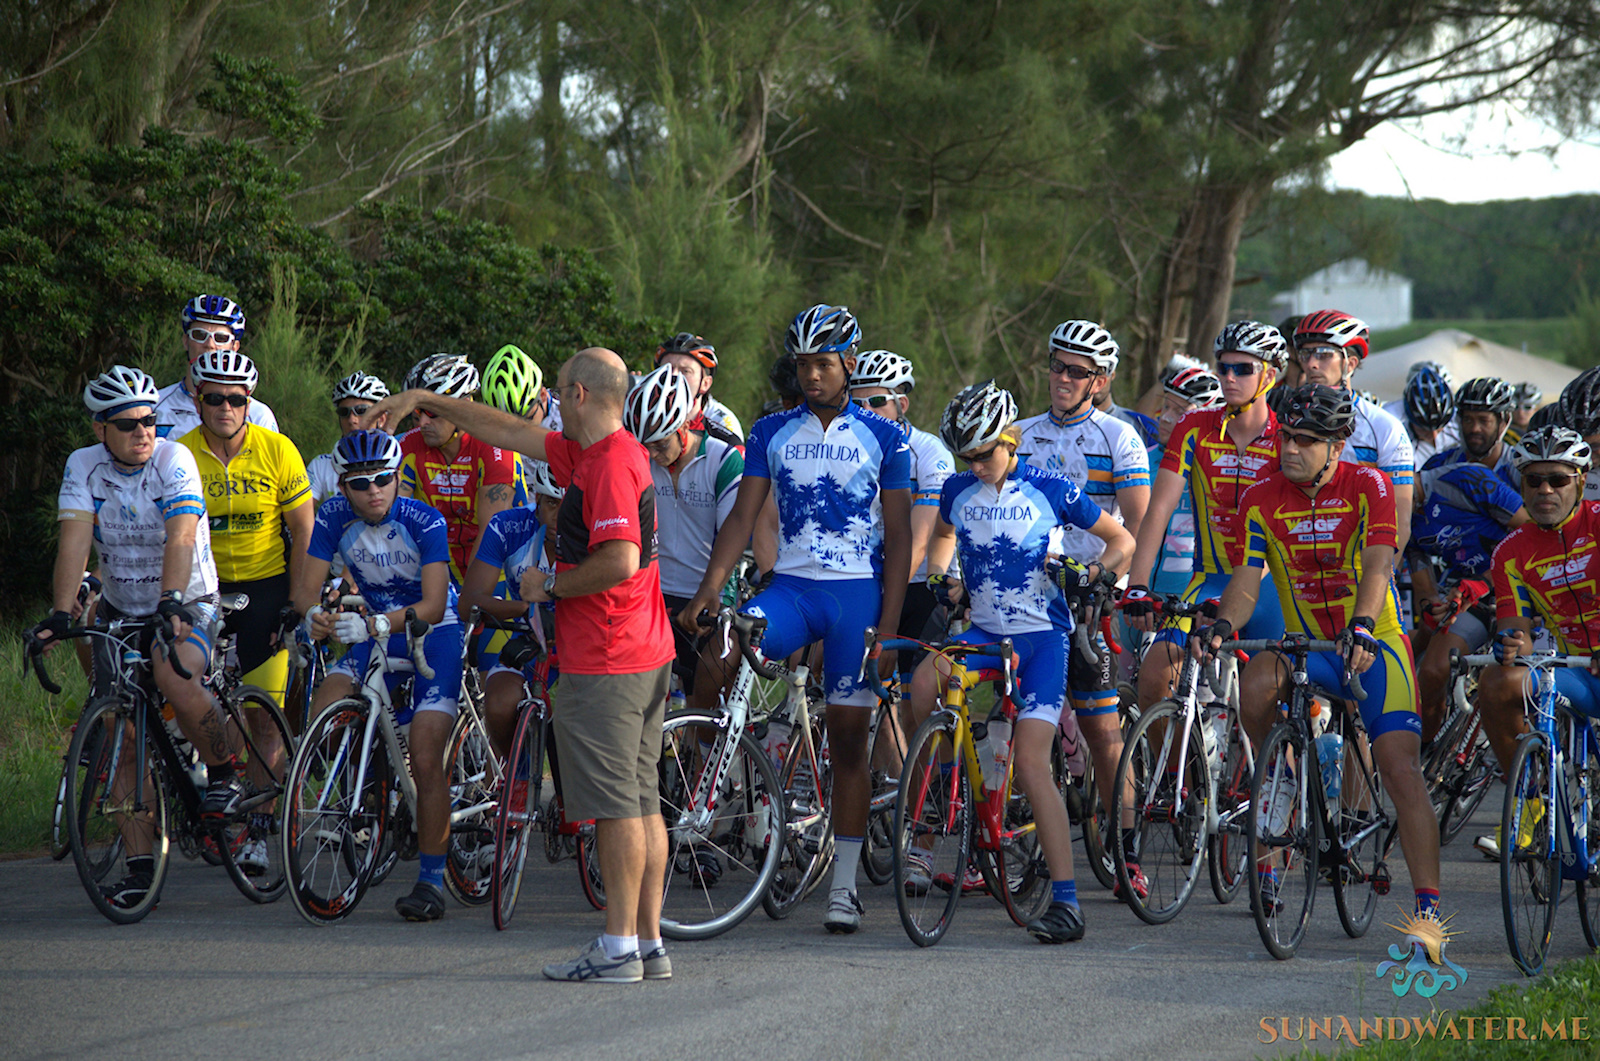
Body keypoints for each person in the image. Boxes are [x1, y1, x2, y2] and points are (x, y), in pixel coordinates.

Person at [362, 347, 678, 983]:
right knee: (642, 804)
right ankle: (647, 944)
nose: (552, 400)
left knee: (618, 807)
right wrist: (422, 401)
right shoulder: (590, 451)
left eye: (559, 389)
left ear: (580, 394)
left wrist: (548, 586)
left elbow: (620, 559)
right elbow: (505, 429)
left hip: (610, 657)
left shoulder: (609, 464)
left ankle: (618, 948)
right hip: (642, 651)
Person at [677, 303, 913, 934]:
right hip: (791, 590)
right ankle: (722, 780)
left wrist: (890, 629)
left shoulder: (886, 437)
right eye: (803, 364)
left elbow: (900, 540)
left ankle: (845, 887)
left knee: (848, 741)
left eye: (824, 364)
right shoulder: (769, 431)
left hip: (855, 597)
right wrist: (709, 592)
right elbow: (741, 518)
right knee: (723, 647)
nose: (812, 375)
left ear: (850, 364)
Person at [1194, 383, 1441, 920]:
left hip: (1372, 642)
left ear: (1337, 445)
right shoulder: (1261, 497)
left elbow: (1379, 564)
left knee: (1400, 769)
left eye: (1305, 440)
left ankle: (1428, 915)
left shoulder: (1368, 485)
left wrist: (1363, 625)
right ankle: (1281, 775)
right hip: (1309, 646)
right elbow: (1247, 579)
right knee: (1257, 681)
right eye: (1286, 436)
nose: (1289, 448)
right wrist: (1223, 623)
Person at [905, 380, 1134, 943]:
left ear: (1010, 440)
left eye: (984, 454)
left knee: (1032, 764)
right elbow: (942, 535)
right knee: (922, 685)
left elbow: (1122, 541)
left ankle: (1067, 902)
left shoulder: (1050, 488)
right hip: (984, 631)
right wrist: (942, 575)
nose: (976, 465)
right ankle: (957, 787)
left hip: (1040, 640)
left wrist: (1094, 575)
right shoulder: (958, 489)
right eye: (967, 456)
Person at [35, 366, 238, 909]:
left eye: (149, 420)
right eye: (128, 424)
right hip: (122, 606)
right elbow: (74, 541)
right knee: (122, 736)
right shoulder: (84, 466)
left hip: (187, 598)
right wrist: (61, 613)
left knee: (174, 674)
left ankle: (224, 772)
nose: (143, 432)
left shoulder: (175, 459)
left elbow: (182, 536)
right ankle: (140, 866)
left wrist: (171, 599)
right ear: (100, 429)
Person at [1125, 322, 1290, 897]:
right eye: (1224, 366)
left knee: (1265, 708)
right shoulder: (1196, 428)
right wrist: (1138, 586)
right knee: (1154, 674)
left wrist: (1240, 599)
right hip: (1209, 579)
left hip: (1270, 586)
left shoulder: (1287, 436)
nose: (1230, 377)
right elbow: (1158, 510)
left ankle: (1268, 856)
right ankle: (1187, 778)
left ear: (1271, 375)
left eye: (1244, 368)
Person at [291, 430, 465, 922]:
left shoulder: (423, 519)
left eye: (383, 479)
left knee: (427, 753)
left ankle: (431, 881)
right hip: (377, 629)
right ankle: (374, 783)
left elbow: (434, 605)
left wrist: (374, 624)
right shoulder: (332, 516)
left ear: (396, 477)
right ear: (342, 485)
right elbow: (305, 592)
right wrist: (315, 616)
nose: (374, 491)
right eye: (360, 483)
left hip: (433, 631)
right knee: (326, 707)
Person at [1013, 319, 1149, 893]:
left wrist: (1114, 586)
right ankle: (1021, 843)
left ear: (1100, 380)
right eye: (1057, 366)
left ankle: (1127, 850)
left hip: (1092, 598)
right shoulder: (1018, 433)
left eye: (1078, 371)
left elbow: (1138, 524)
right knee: (1015, 725)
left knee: (1101, 731)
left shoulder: (1119, 437)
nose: (1063, 378)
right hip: (1027, 599)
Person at [175, 350, 310, 874]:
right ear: (197, 401)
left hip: (265, 587)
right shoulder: (179, 453)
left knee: (263, 715)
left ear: (249, 402)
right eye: (215, 398)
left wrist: (298, 602)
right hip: (206, 588)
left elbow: (303, 529)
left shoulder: (277, 450)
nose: (226, 407)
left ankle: (257, 829)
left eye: (236, 398)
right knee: (192, 697)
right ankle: (216, 790)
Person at [1475, 427, 1600, 860]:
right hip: (1572, 670)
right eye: (1534, 480)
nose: (1545, 490)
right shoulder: (1510, 552)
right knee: (1497, 682)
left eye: (1558, 479)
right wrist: (1512, 646)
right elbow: (1518, 631)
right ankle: (1528, 804)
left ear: (1581, 481)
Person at [1410, 377, 1527, 747]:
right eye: (1467, 419)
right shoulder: (1439, 467)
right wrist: (1430, 601)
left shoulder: (1521, 469)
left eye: (1484, 420)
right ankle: (1422, 752)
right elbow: (1415, 551)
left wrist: (1487, 582)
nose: (1474, 428)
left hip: (1515, 586)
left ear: (1504, 421)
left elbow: (1533, 539)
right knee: (1431, 669)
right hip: (1461, 587)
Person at [623, 363, 743, 717]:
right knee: (643, 703)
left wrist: (714, 592)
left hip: (707, 591)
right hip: (654, 591)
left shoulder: (723, 460)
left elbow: (731, 537)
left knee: (705, 698)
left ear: (683, 427)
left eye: (660, 445)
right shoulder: (642, 460)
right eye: (646, 446)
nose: (653, 456)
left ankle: (703, 748)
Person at [848, 349, 955, 673]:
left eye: (877, 401)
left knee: (914, 689)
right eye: (857, 403)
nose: (867, 411)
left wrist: (885, 600)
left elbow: (919, 542)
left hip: (919, 580)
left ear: (902, 405)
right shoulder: (844, 452)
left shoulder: (929, 453)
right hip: (866, 576)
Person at [460, 460, 563, 759]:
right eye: (551, 503)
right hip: (530, 637)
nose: (559, 516)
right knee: (499, 705)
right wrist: (526, 609)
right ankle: (515, 773)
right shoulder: (508, 526)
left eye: (569, 506)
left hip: (583, 643)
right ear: (537, 498)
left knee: (573, 729)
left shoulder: (592, 533)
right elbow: (469, 602)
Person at [1290, 310, 1414, 557]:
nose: (1311, 364)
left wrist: (1381, 577)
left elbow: (1400, 522)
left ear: (1350, 364)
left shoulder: (1383, 427)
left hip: (1362, 565)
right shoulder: (1287, 421)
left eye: (1323, 354)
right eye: (1305, 354)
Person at [397, 353, 518, 584]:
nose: (422, 423)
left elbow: (491, 535)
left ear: (463, 408)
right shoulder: (410, 445)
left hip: (500, 570)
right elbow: (388, 516)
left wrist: (468, 596)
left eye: (433, 412)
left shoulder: (494, 446)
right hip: (438, 567)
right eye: (418, 412)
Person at [155, 295, 278, 440]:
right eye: (199, 335)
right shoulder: (156, 407)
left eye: (220, 338)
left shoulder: (258, 415)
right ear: (186, 341)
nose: (210, 344)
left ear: (235, 347)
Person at [308, 372, 392, 506]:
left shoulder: (397, 460)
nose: (352, 419)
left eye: (362, 411)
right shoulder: (321, 465)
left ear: (381, 419)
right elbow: (301, 515)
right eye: (344, 412)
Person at [655, 332, 744, 440]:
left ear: (705, 383)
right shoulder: (639, 409)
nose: (673, 376)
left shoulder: (722, 422)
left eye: (685, 371)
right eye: (666, 369)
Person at [1385, 362, 1458, 471]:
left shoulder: (1458, 421)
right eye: (1424, 429)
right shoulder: (1391, 419)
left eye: (1439, 429)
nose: (1434, 435)